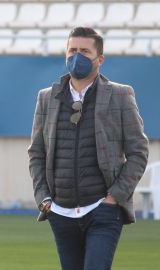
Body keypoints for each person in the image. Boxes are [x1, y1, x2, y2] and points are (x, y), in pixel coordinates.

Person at [28, 26, 149, 270]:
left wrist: (113, 198)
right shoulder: (46, 97)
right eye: (72, 50)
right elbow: (36, 153)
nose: (77, 56)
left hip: (103, 211)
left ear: (99, 59)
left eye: (84, 51)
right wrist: (44, 200)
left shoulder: (120, 95)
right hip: (60, 212)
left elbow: (139, 152)